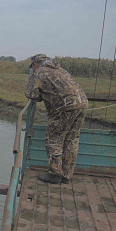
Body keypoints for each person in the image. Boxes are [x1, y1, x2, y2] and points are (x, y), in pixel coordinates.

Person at [25, 54, 88, 184]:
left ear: (35, 64)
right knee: (72, 138)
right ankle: (66, 175)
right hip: (82, 103)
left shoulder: (39, 72)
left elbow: (30, 94)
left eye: (32, 66)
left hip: (65, 107)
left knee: (53, 138)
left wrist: (32, 77)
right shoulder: (59, 69)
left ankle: (55, 173)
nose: (32, 68)